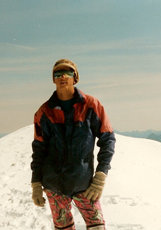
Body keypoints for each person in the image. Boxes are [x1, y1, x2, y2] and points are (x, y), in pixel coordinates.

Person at [31, 59, 116, 230]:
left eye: (68, 72)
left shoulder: (92, 106)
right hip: (54, 185)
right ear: (53, 79)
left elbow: (108, 140)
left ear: (75, 78)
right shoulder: (44, 112)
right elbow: (39, 149)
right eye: (57, 73)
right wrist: (36, 184)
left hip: (84, 184)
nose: (62, 76)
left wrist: (100, 176)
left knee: (97, 227)